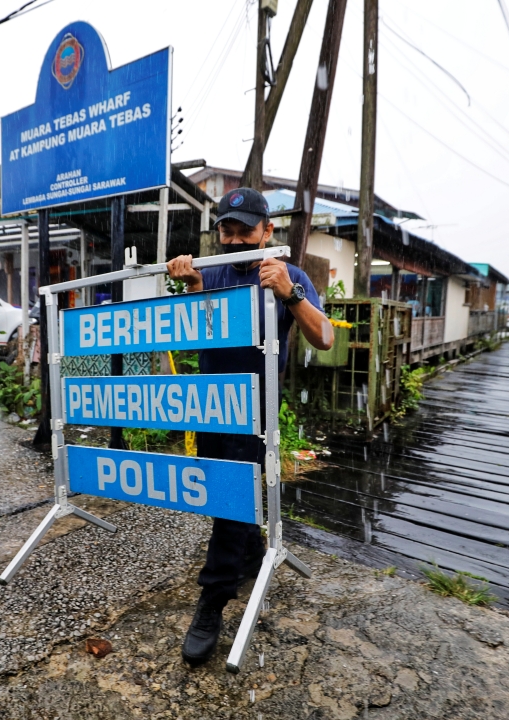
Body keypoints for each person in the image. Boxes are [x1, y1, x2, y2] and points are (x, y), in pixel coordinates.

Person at [166, 187, 333, 666]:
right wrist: (191, 288)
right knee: (222, 494)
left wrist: (290, 293)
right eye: (228, 230)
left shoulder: (289, 272)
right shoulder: (210, 270)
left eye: (246, 231)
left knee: (232, 497)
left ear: (267, 231)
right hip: (207, 406)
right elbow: (191, 332)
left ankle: (212, 602)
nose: (236, 240)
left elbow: (322, 338)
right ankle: (255, 554)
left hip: (253, 411)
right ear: (218, 232)